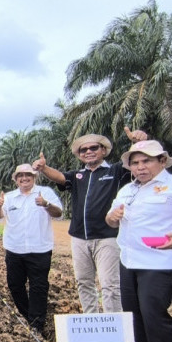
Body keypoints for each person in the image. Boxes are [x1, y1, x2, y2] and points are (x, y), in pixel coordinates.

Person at [106, 140, 172, 342]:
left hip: (162, 263)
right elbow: (111, 220)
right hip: (130, 259)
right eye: (135, 163)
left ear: (162, 162)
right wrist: (111, 217)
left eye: (147, 161)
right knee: (134, 310)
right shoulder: (128, 190)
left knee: (154, 314)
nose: (140, 167)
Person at [32, 127, 147, 314]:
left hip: (107, 237)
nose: (88, 152)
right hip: (79, 238)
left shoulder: (117, 172)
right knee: (83, 282)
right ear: (79, 155)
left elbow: (136, 162)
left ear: (103, 150)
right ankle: (91, 321)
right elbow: (60, 178)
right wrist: (44, 168)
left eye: (93, 148)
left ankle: (114, 328)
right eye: (83, 150)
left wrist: (137, 143)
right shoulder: (78, 176)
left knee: (110, 285)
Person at [0, 164, 63, 336]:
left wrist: (46, 204)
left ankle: (37, 325)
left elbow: (59, 213)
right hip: (14, 249)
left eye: (28, 175)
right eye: (20, 176)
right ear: (15, 179)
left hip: (39, 249)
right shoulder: (9, 197)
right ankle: (29, 317)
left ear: (35, 177)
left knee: (38, 287)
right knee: (15, 286)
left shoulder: (45, 193)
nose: (24, 179)